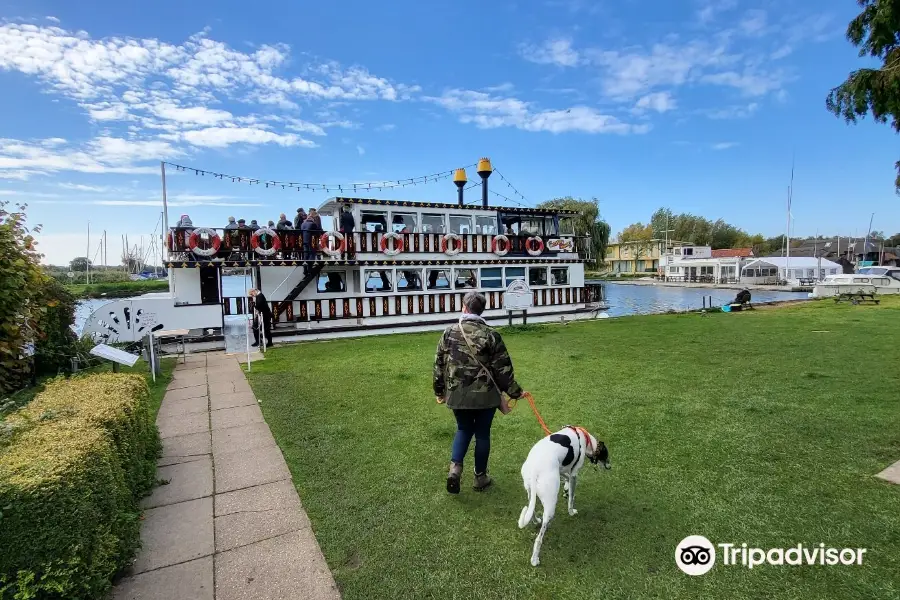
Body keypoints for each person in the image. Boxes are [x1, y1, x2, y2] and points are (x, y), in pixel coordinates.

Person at [433, 291, 524, 493]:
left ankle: (455, 470)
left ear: (464, 307)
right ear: (481, 310)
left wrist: (439, 391)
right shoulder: (492, 335)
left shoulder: (449, 333)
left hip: (457, 394)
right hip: (487, 396)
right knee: (482, 434)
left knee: (463, 429)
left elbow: (439, 365)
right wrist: (515, 392)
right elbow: (503, 370)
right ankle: (480, 477)